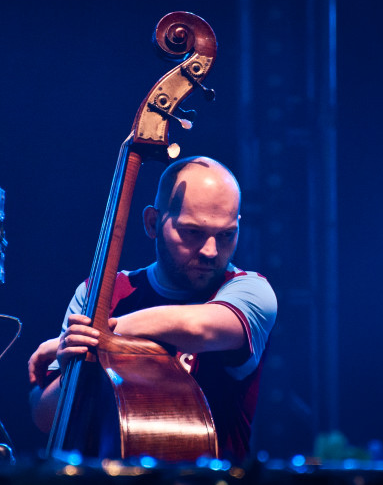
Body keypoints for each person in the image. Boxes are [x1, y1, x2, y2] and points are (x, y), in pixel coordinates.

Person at [28, 156, 277, 462]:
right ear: (152, 223)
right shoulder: (98, 294)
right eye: (193, 233)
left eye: (226, 234)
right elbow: (43, 419)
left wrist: (99, 336)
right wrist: (72, 370)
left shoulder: (249, 290)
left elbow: (197, 328)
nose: (211, 251)